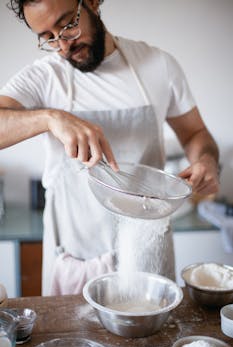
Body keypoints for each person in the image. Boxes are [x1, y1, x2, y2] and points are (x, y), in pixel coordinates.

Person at [0, 0, 219, 295]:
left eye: (68, 25)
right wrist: (51, 118)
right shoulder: (44, 77)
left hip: (146, 254)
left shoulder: (158, 66)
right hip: (77, 261)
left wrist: (205, 159)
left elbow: (195, 133)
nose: (63, 45)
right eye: (48, 38)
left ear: (91, 2)